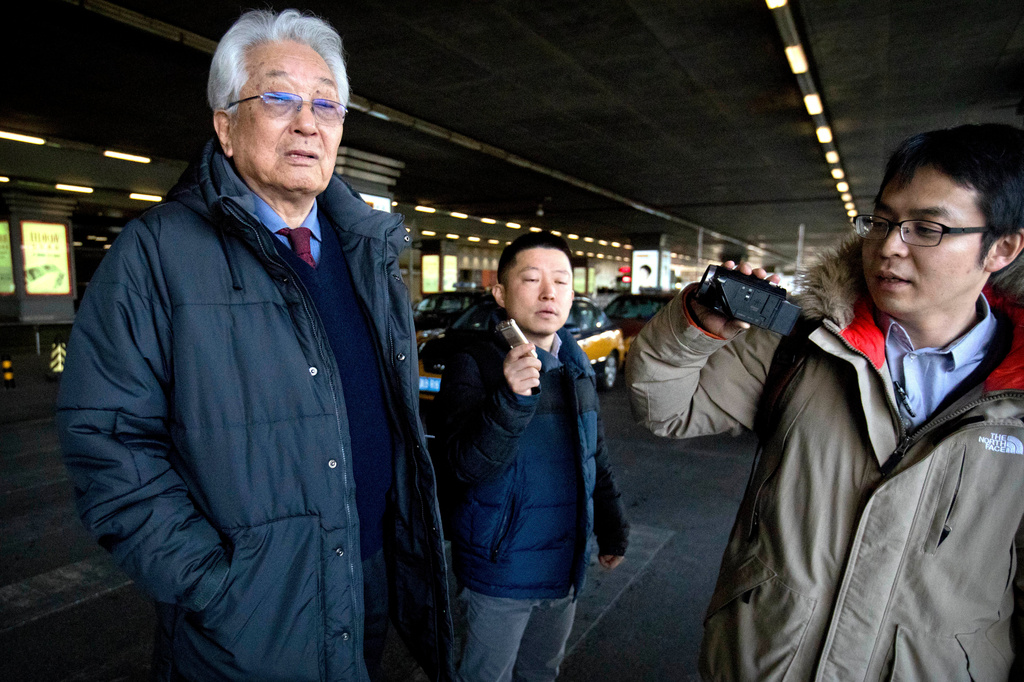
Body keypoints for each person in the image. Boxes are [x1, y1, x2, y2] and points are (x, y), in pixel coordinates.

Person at [56, 9, 453, 681]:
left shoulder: (369, 255)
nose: (308, 122)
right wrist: (217, 585)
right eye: (279, 98)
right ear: (225, 125)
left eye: (328, 105)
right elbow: (107, 439)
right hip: (249, 610)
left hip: (368, 572)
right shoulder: (157, 254)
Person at [627, 123, 1024, 680]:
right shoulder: (804, 342)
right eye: (882, 221)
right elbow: (667, 407)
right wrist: (697, 327)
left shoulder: (1017, 397)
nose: (889, 246)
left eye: (927, 228)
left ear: (1001, 248)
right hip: (765, 663)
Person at [432, 232, 629, 682]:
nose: (549, 293)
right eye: (533, 279)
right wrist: (511, 398)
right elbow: (464, 466)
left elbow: (593, 452)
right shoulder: (476, 364)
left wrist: (613, 526)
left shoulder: (577, 365)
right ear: (500, 293)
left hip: (564, 564)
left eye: (561, 281)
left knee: (541, 672)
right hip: (501, 567)